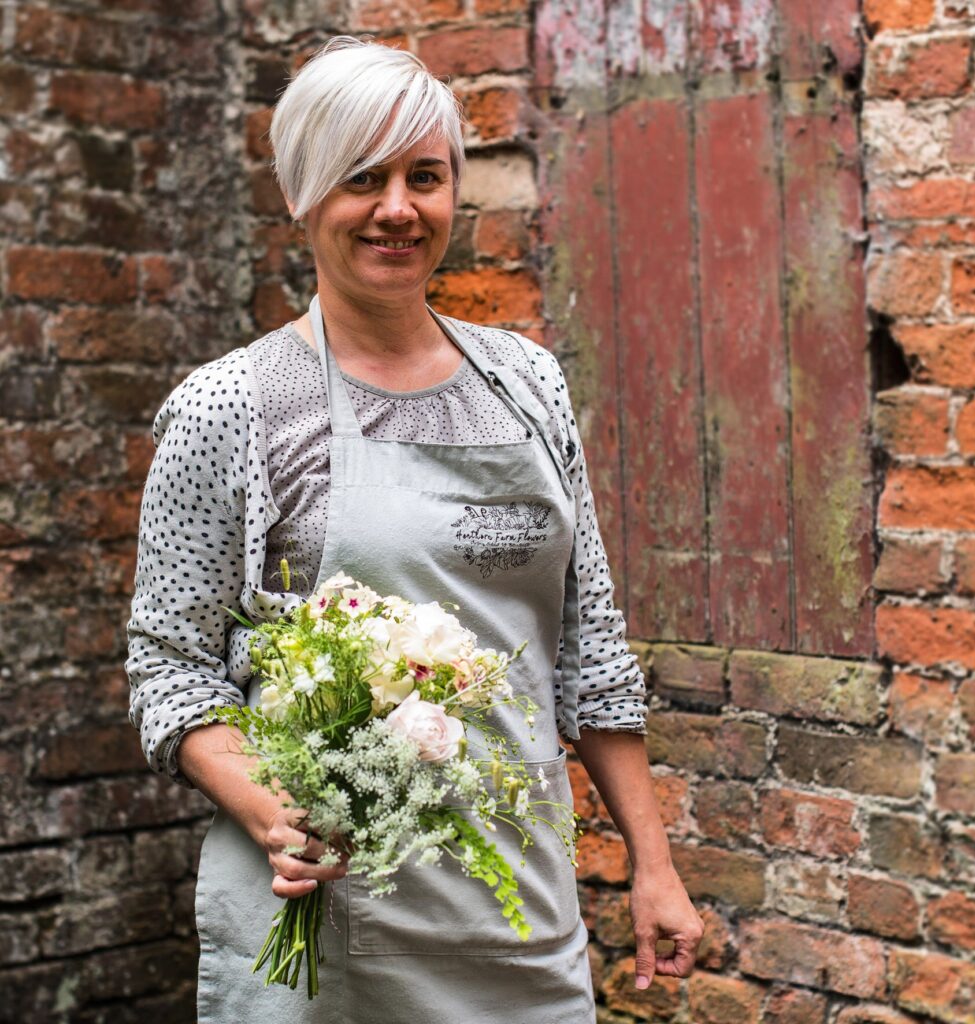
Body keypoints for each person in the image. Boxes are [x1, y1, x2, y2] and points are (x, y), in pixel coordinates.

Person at [126, 35, 703, 1023]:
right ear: (305, 194)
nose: (398, 208)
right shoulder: (236, 405)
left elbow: (588, 643)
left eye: (423, 177)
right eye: (364, 178)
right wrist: (278, 813)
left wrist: (653, 867)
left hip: (515, 907)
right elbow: (170, 664)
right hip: (328, 917)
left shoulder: (526, 383)